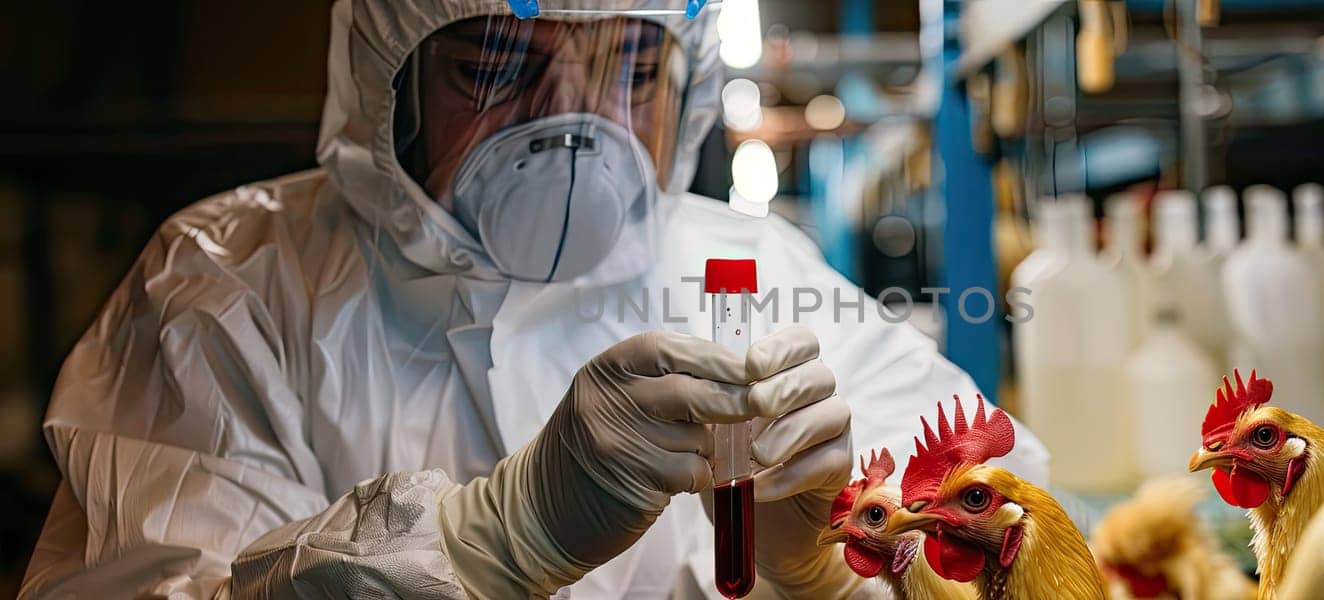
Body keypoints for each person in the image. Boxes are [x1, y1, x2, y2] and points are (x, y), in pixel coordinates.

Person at [19, 1, 1048, 598]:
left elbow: (1011, 534)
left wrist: (823, 576)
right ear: (394, 74)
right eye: (496, 68)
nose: (571, 127)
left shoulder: (753, 271)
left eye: (631, 68)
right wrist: (488, 541)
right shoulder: (229, 286)